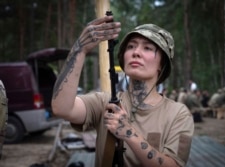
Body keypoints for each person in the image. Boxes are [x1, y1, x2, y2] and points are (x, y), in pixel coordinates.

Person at [52, 15, 194, 167]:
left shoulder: (178, 114)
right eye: (131, 46)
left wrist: (128, 133)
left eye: (147, 48)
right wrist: (79, 49)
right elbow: (61, 108)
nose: (136, 52)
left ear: (162, 64)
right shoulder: (104, 103)